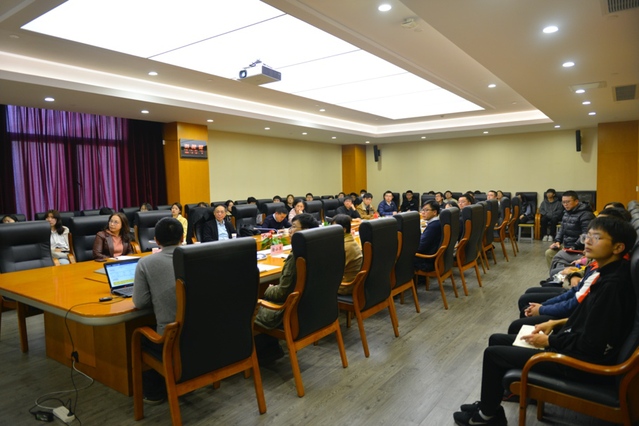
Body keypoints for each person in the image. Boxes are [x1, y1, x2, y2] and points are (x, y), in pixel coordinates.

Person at [453, 216, 637, 426]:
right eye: (588, 236)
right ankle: (490, 406)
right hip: (572, 346)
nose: (587, 241)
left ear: (618, 247)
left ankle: (486, 417)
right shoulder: (608, 273)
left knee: (493, 354)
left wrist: (549, 341)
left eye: (596, 237)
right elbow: (589, 319)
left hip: (579, 364)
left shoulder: (613, 287)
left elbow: (591, 344)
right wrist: (554, 324)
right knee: (496, 339)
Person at [254, 213, 319, 362]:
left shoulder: (297, 256)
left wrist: (267, 290)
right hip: (310, 310)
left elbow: (282, 293)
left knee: (248, 306)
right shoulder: (316, 249)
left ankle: (258, 353)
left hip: (286, 312)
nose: (290, 231)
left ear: (306, 230)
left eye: (293, 227)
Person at [132, 217, 184, 404]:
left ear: (156, 240)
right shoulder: (198, 256)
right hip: (200, 336)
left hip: (171, 341)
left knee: (139, 335)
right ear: (182, 237)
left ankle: (155, 392)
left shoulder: (146, 263)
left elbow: (141, 302)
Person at [545, 190, 595, 271]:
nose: (565, 204)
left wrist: (574, 246)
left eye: (568, 202)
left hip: (579, 249)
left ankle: (561, 273)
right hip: (567, 247)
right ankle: (555, 275)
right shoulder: (566, 213)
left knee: (558, 256)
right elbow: (562, 229)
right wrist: (557, 241)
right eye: (563, 202)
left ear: (576, 201)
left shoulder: (586, 214)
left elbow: (586, 234)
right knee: (549, 253)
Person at [332, 214, 363, 295]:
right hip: (353, 282)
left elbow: (334, 269)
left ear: (344, 230)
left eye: (333, 228)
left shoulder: (345, 246)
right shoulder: (350, 241)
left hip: (345, 286)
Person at [413, 201, 442, 272]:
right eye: (422, 210)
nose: (423, 212)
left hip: (427, 261)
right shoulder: (437, 222)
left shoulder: (433, 226)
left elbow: (421, 247)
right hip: (433, 257)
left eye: (426, 210)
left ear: (434, 212)